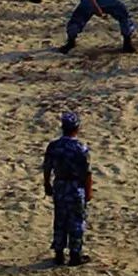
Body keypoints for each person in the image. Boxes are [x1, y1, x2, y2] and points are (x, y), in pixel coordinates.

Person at [43, 108, 92, 267]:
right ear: (77, 128)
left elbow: (47, 168)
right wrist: (88, 191)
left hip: (60, 185)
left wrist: (47, 184)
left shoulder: (53, 146)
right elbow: (87, 172)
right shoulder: (80, 148)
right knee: (77, 221)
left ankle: (58, 253)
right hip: (76, 187)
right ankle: (75, 254)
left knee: (60, 219)